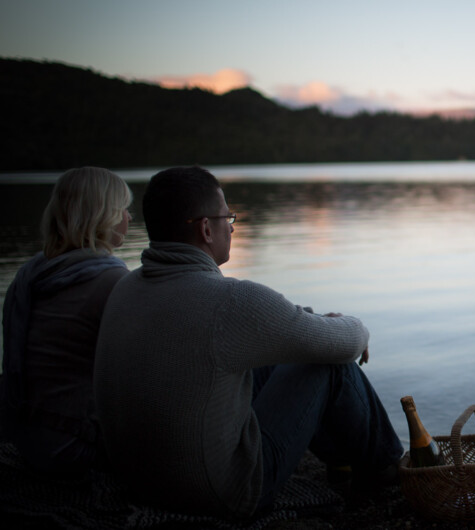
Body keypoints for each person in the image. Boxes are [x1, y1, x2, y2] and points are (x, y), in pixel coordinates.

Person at [94, 166, 403, 519]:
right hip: (222, 494)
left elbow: (273, 325)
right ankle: (388, 466)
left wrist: (313, 323)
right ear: (206, 229)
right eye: (228, 217)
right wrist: (353, 326)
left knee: (277, 352)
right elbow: (346, 343)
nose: (232, 226)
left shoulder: (124, 288)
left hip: (139, 482)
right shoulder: (229, 301)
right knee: (326, 366)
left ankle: (343, 460)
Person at [0, 167, 132, 475]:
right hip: (76, 446)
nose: (128, 218)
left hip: (27, 438)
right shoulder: (111, 280)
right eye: (122, 209)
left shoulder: (31, 274)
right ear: (102, 214)